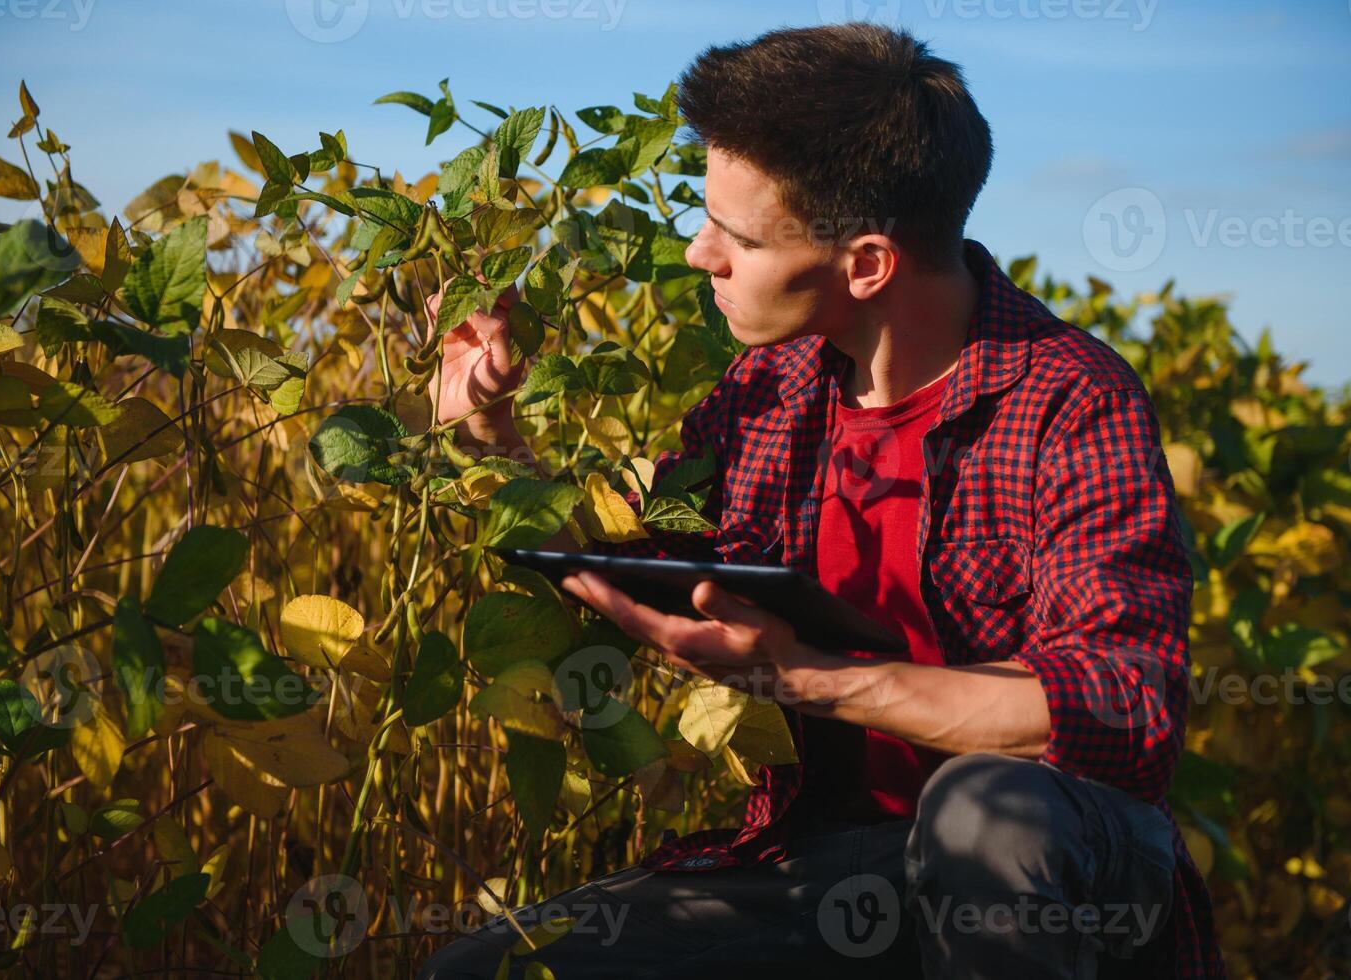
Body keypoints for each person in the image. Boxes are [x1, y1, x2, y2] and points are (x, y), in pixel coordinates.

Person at [419, 21, 1224, 980]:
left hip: (1061, 867)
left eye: (738, 236)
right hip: (834, 858)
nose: (696, 252)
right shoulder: (767, 392)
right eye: (704, 213)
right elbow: (655, 579)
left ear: (868, 264)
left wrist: (803, 677)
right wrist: (491, 436)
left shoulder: (1069, 398)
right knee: (485, 973)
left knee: (983, 810)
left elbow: (1123, 707)